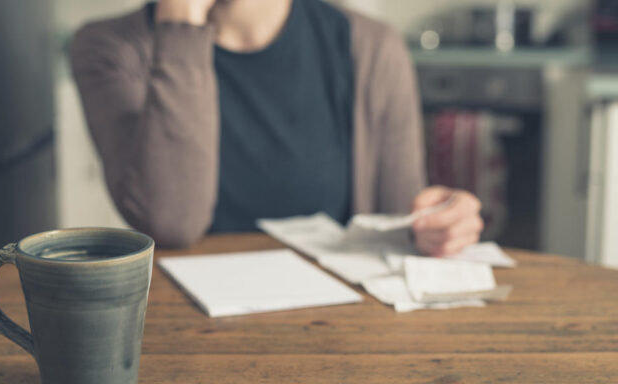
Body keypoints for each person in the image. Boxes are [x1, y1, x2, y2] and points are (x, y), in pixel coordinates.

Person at [69, 0, 484, 255]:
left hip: (342, 327)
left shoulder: (372, 46)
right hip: (183, 331)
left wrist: (439, 225)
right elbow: (171, 223)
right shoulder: (108, 49)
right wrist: (180, 21)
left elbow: (400, 224)